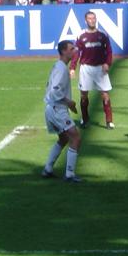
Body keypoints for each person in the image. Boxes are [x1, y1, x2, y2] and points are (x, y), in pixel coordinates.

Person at [41, 40, 82, 181]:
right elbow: (55, 90)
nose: (74, 51)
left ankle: (47, 169)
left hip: (51, 108)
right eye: (71, 49)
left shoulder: (59, 66)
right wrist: (69, 102)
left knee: (64, 138)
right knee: (75, 137)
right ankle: (70, 174)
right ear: (64, 51)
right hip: (57, 108)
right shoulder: (61, 68)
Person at [69, 11, 114, 129]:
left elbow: (109, 51)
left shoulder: (103, 34)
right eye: (89, 18)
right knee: (84, 95)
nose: (92, 20)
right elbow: (76, 53)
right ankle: (85, 118)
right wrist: (72, 68)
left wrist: (107, 63)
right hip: (86, 68)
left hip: (100, 68)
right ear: (85, 21)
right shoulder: (81, 35)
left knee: (105, 95)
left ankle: (109, 121)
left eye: (94, 18)